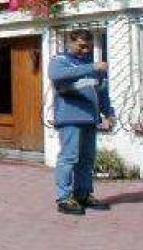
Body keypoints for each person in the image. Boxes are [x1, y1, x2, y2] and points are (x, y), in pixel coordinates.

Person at [49, 28, 115, 215]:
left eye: (88, 47)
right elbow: (56, 76)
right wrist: (92, 68)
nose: (85, 50)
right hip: (69, 118)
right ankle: (64, 198)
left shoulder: (93, 67)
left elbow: (102, 93)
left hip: (90, 119)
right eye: (81, 46)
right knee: (69, 158)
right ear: (70, 43)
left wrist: (108, 113)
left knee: (87, 159)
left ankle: (83, 194)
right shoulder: (60, 61)